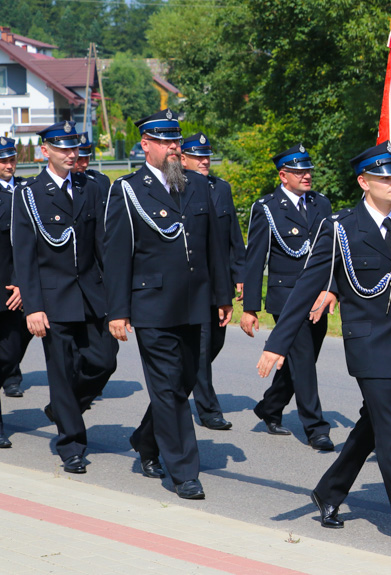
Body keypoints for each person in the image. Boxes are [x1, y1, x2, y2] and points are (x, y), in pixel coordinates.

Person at [257, 141, 391, 551]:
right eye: (384, 177)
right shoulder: (340, 227)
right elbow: (306, 286)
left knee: (372, 427)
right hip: (368, 347)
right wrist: (278, 343)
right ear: (364, 182)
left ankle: (330, 490)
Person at [103, 109, 232, 499]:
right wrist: (118, 311)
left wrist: (223, 296)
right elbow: (117, 254)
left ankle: (146, 440)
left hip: (195, 303)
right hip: (152, 304)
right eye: (164, 140)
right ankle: (184, 471)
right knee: (167, 388)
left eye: (176, 139)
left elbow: (214, 247)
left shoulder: (196, 185)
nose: (174, 147)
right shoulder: (127, 189)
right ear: (146, 145)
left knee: (184, 380)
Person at [12, 122, 118, 473]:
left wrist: (116, 298)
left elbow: (103, 245)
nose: (72, 155)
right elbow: (24, 255)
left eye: (75, 149)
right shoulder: (28, 193)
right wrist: (34, 306)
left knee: (104, 361)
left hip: (92, 295)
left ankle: (63, 406)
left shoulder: (91, 187)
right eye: (63, 149)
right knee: (61, 371)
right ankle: (71, 444)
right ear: (46, 152)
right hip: (53, 299)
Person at [242, 144, 333, 450]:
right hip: (286, 298)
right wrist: (250, 308)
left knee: (300, 361)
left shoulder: (321, 204)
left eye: (308, 170)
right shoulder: (267, 207)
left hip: (317, 298)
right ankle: (316, 427)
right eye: (299, 171)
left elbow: (332, 254)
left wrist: (330, 290)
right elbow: (254, 260)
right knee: (304, 361)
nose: (306, 175)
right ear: (283, 175)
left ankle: (269, 407)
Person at [181, 132, 245, 431]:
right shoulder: (176, 186)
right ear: (183, 159)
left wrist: (239, 273)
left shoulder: (222, 188)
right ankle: (208, 410)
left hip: (218, 281)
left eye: (206, 155)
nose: (204, 160)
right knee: (203, 346)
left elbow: (233, 235)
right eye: (196, 156)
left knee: (215, 342)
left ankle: (182, 385)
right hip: (192, 282)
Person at [0, 136, 30, 446]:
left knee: (9, 354)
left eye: (12, 160)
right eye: (3, 161)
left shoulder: (24, 191)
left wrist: (23, 281)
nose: (9, 165)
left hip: (18, 286)